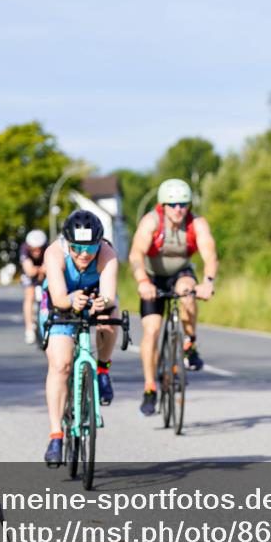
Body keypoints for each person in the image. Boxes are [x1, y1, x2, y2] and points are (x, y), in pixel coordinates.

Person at [128, 178, 218, 416]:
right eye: (173, 204)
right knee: (151, 331)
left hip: (180, 273)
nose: (178, 209)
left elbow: (210, 255)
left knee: (187, 293)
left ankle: (190, 343)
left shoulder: (196, 223)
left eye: (183, 204)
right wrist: (142, 282)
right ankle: (150, 388)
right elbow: (136, 254)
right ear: (163, 206)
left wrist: (208, 282)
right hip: (152, 277)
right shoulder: (151, 221)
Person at [42, 210, 119, 466]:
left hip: (93, 296)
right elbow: (59, 298)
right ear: (67, 243)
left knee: (110, 316)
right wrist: (72, 301)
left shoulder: (107, 254)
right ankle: (56, 436)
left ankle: (103, 370)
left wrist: (102, 302)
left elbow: (109, 294)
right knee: (61, 364)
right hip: (60, 300)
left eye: (90, 247)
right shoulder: (54, 254)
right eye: (77, 248)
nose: (84, 254)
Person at [20, 229, 49, 344]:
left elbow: (48, 267)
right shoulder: (24, 249)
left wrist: (42, 271)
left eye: (39, 248)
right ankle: (29, 329)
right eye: (33, 249)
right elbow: (30, 271)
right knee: (29, 296)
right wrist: (40, 270)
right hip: (29, 273)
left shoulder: (48, 248)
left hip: (44, 272)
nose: (36, 252)